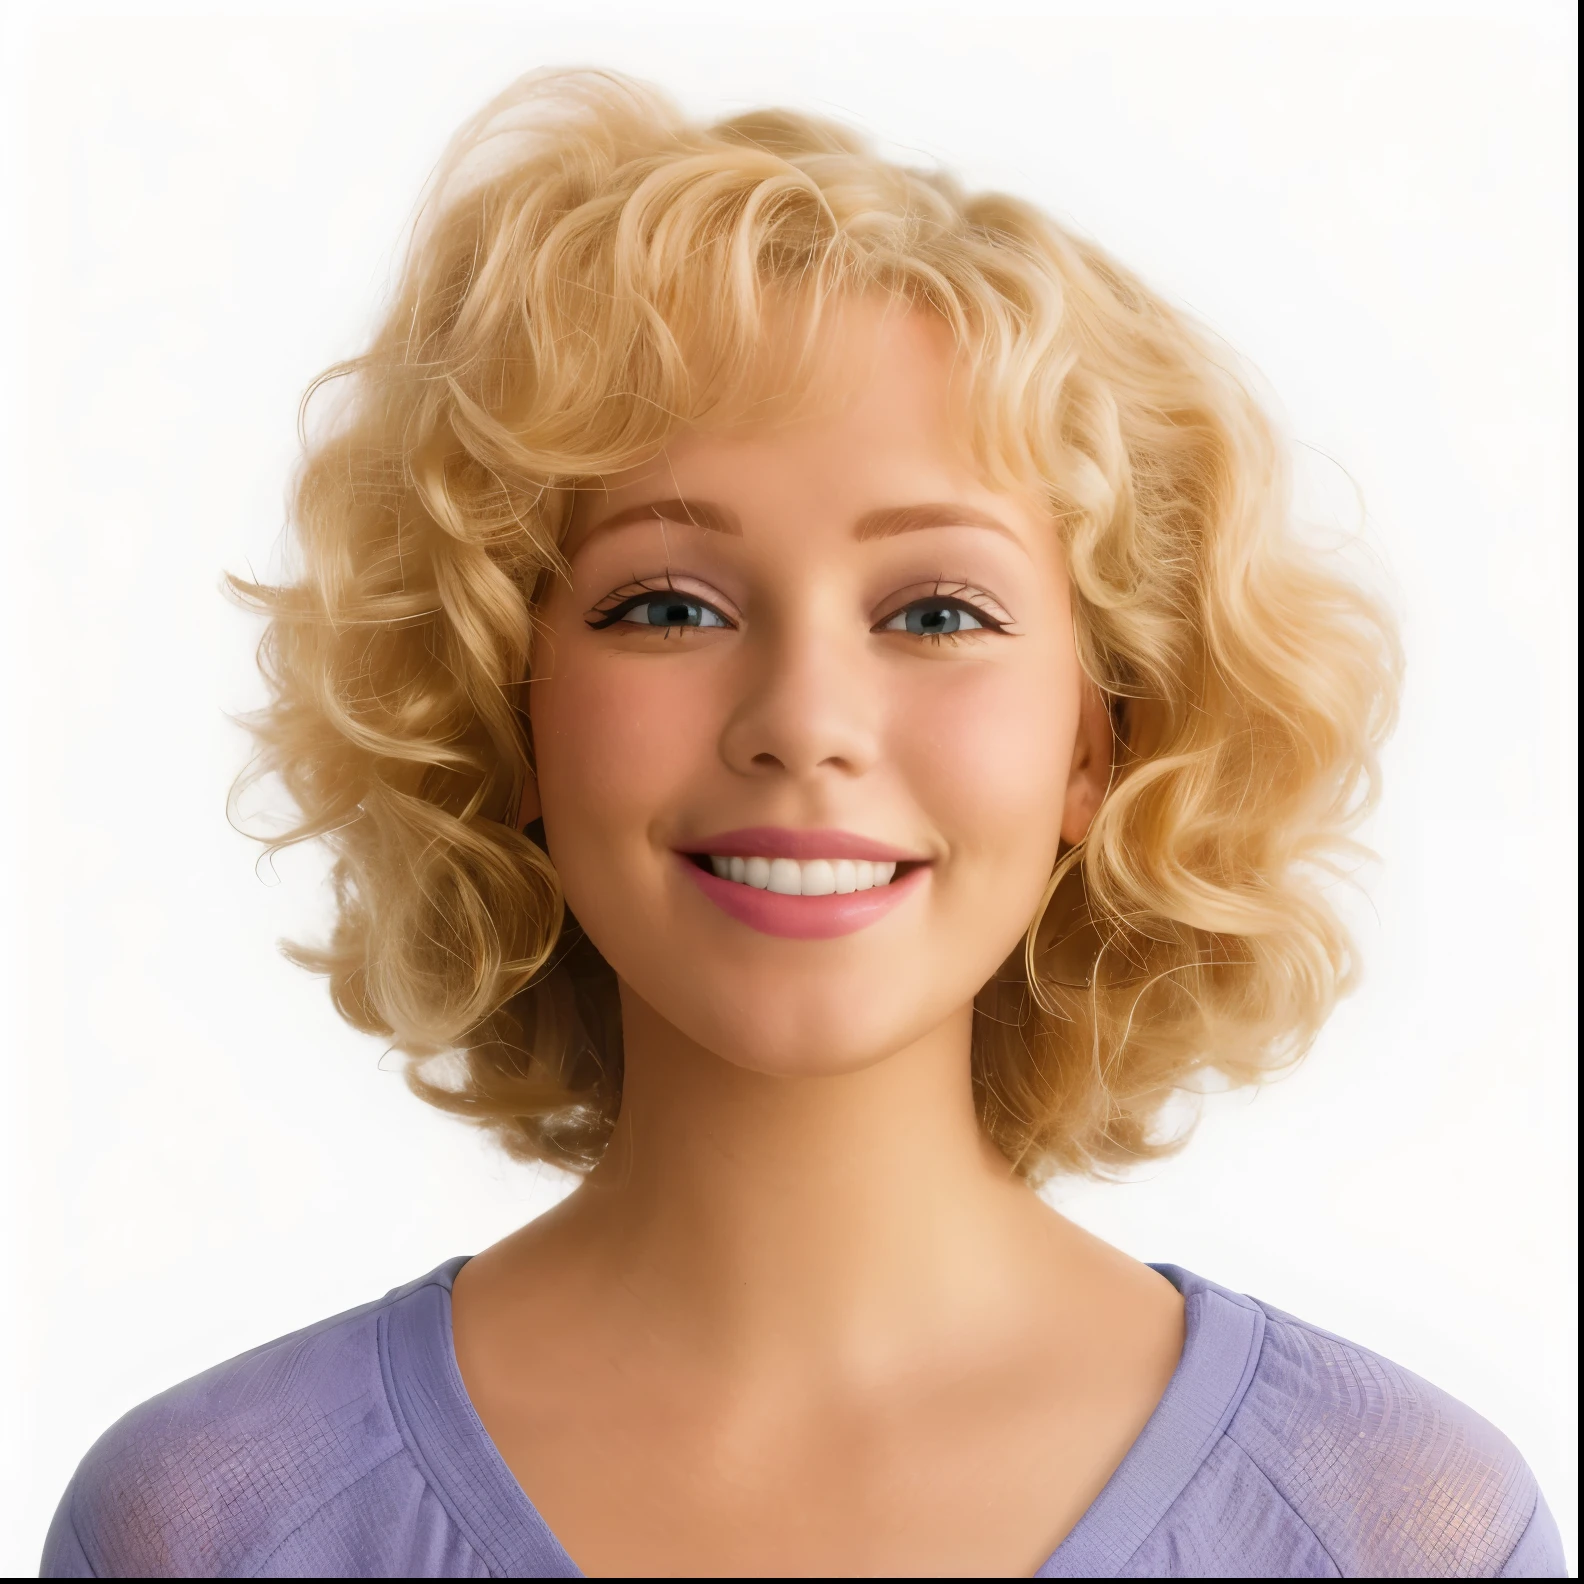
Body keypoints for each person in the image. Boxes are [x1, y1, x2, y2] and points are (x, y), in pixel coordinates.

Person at [40, 69, 1564, 1578]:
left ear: (1103, 742)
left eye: (939, 611)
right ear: (505, 707)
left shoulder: (1391, 1526)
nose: (804, 718)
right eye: (666, 605)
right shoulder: (214, 1525)